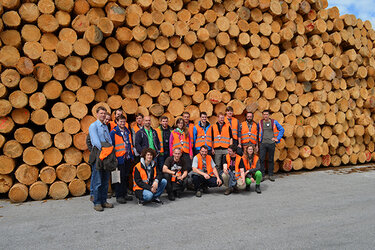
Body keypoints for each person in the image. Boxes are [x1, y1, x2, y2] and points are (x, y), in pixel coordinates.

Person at [88, 106, 114, 212]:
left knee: (105, 179)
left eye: (104, 113)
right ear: (97, 114)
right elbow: (96, 142)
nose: (103, 115)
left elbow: (109, 140)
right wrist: (105, 151)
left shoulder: (105, 126)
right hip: (99, 155)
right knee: (97, 180)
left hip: (107, 154)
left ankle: (104, 201)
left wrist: (110, 151)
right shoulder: (93, 126)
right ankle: (97, 202)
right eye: (101, 113)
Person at [110, 115, 134, 204]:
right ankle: (119, 196)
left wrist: (131, 155)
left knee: (125, 177)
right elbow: (111, 147)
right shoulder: (113, 133)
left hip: (127, 157)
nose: (122, 123)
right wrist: (114, 158)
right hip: (119, 158)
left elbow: (129, 143)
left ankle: (124, 194)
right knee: (119, 178)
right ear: (117, 122)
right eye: (121, 121)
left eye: (124, 121)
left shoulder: (127, 131)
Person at [258, 110, 285, 182]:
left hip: (271, 143)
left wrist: (277, 138)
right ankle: (262, 175)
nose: (265, 116)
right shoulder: (260, 123)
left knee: (271, 159)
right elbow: (258, 131)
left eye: (266, 114)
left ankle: (270, 175)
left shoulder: (274, 122)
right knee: (262, 159)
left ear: (269, 115)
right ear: (262, 115)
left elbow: (282, 129)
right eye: (264, 114)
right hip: (263, 143)